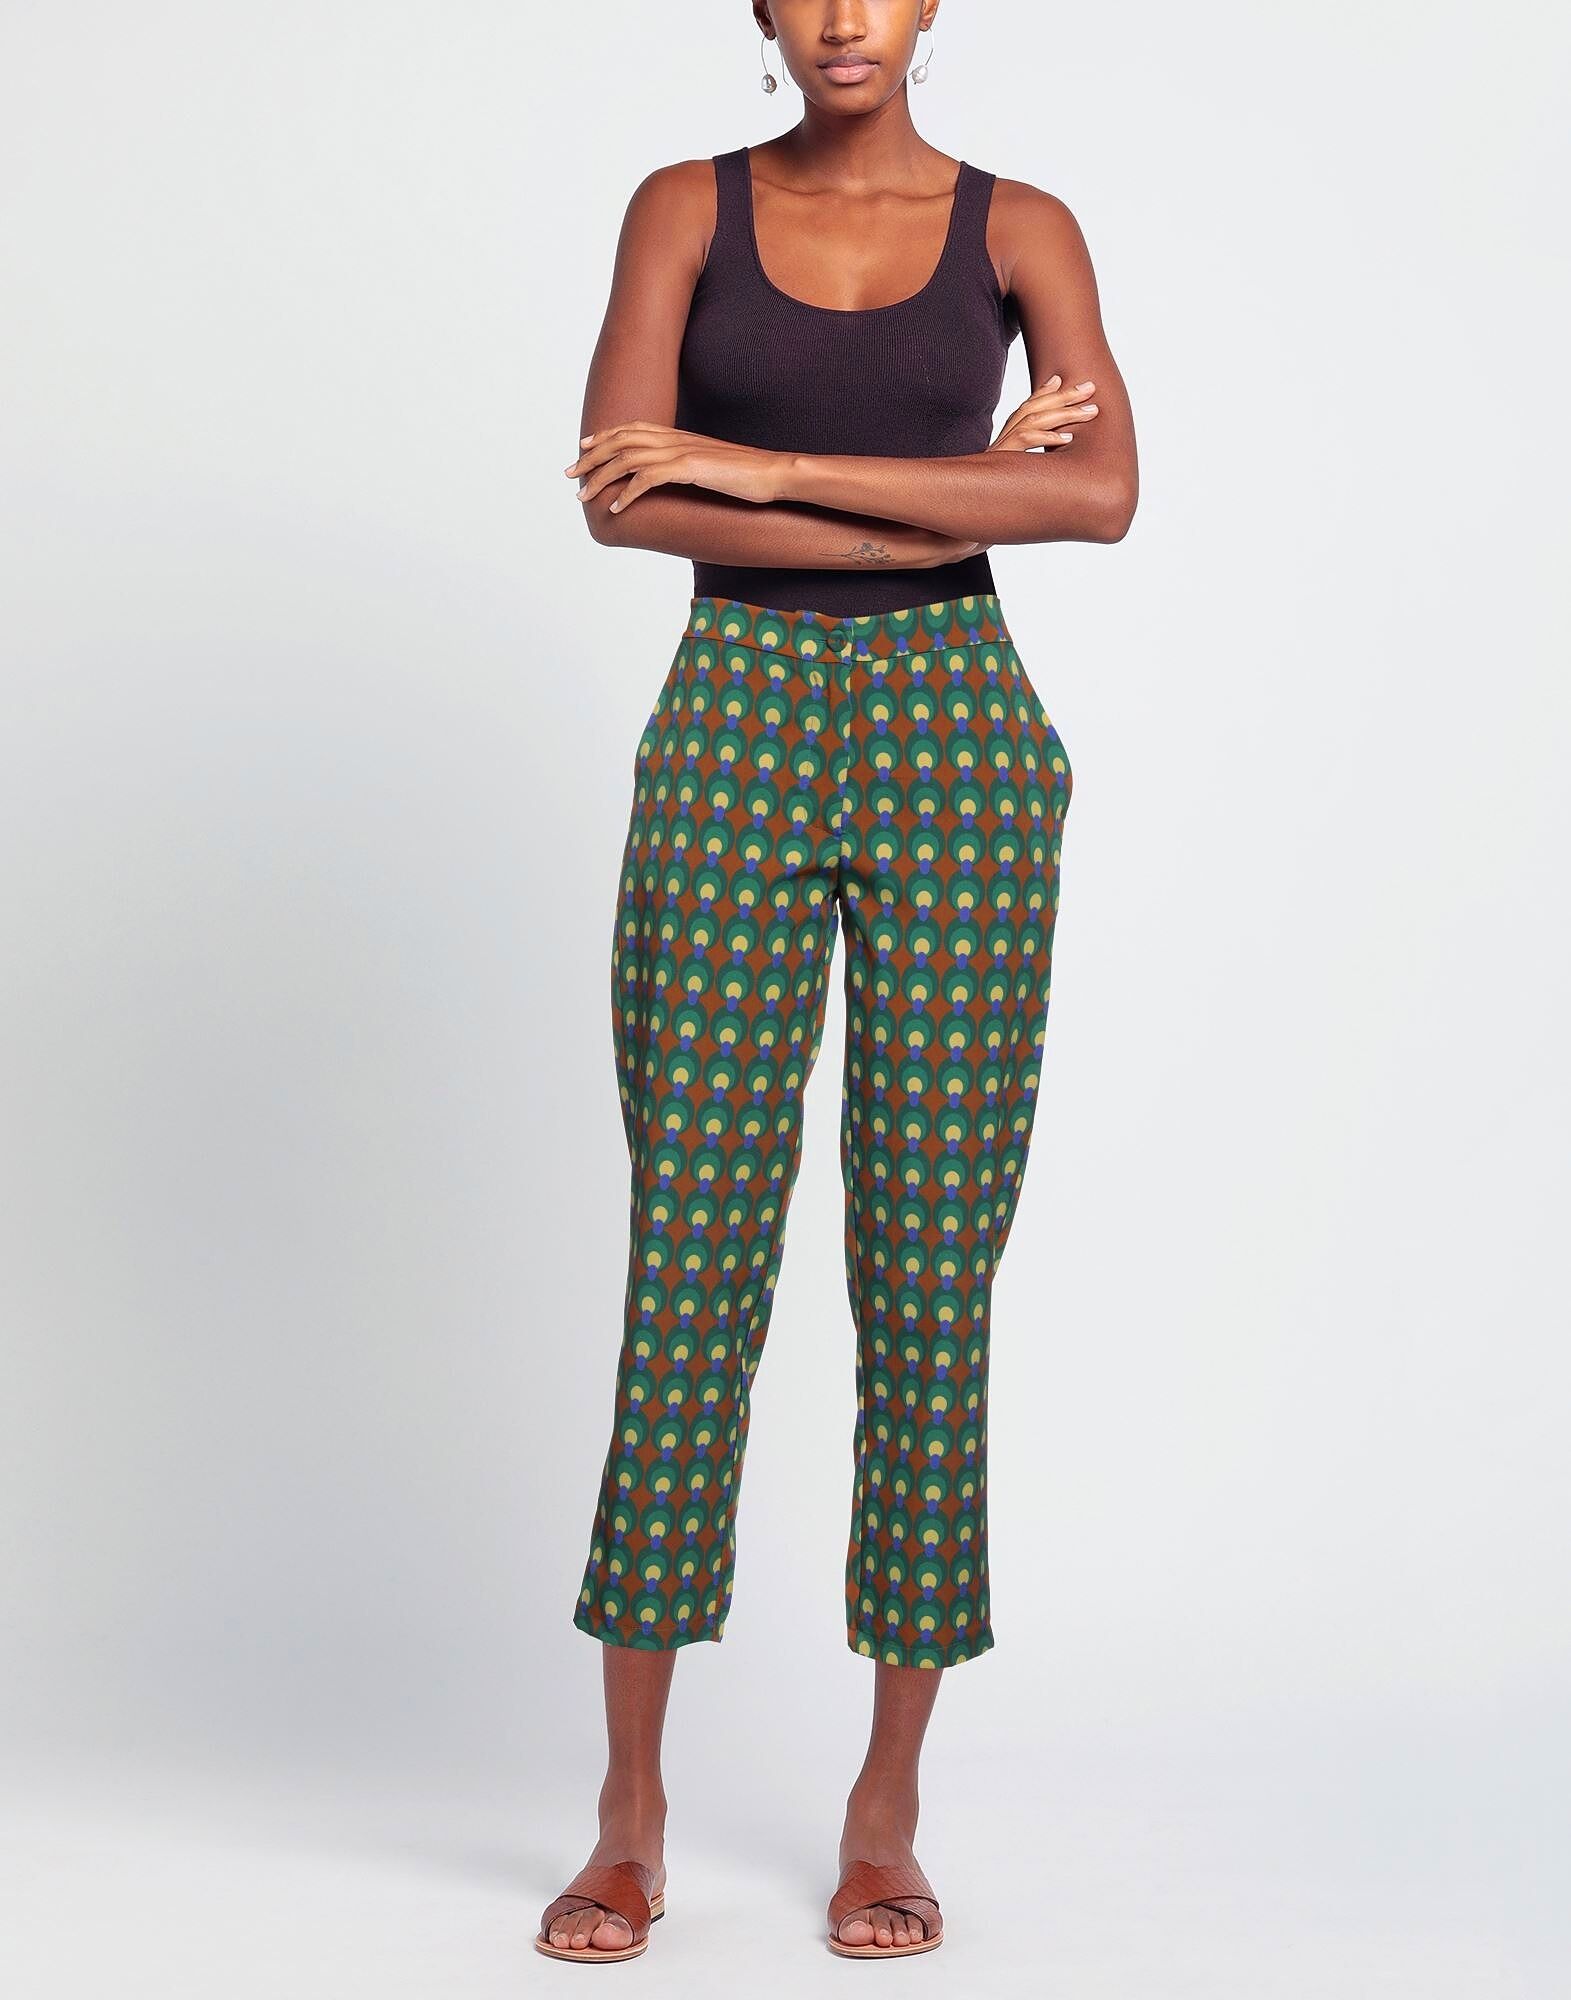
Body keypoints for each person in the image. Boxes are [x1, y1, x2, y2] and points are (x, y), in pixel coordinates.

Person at [539, 0, 1137, 1965]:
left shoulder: (1021, 228)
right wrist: (945, 482)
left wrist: (758, 463)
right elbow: (620, 495)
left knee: (931, 1264)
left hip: (960, 721)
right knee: (690, 1257)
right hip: (736, 705)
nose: (843, 17)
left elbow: (1096, 497)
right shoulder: (684, 208)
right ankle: (628, 1811)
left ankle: (887, 1812)